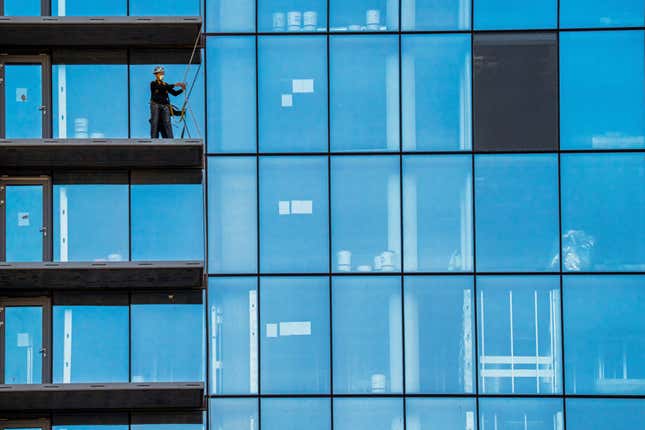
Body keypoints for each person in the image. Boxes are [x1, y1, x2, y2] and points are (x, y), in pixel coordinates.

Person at [150, 66, 186, 139]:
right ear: (156, 74)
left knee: (167, 123)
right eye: (160, 73)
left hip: (165, 106)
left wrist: (182, 90)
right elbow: (161, 88)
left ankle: (170, 139)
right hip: (155, 105)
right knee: (155, 122)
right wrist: (175, 85)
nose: (161, 75)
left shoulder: (165, 84)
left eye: (162, 73)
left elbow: (174, 93)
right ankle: (153, 139)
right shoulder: (153, 83)